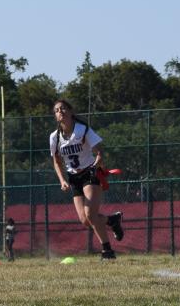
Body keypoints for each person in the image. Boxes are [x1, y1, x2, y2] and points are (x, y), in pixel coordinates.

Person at [48, 99, 125, 260]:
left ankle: (107, 251)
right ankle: (112, 220)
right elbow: (56, 161)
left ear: (70, 111)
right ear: (55, 116)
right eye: (56, 110)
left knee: (91, 214)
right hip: (73, 177)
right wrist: (62, 180)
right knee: (84, 220)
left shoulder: (82, 130)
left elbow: (99, 151)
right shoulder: (55, 137)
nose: (60, 112)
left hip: (90, 172)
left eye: (63, 108)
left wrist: (98, 162)